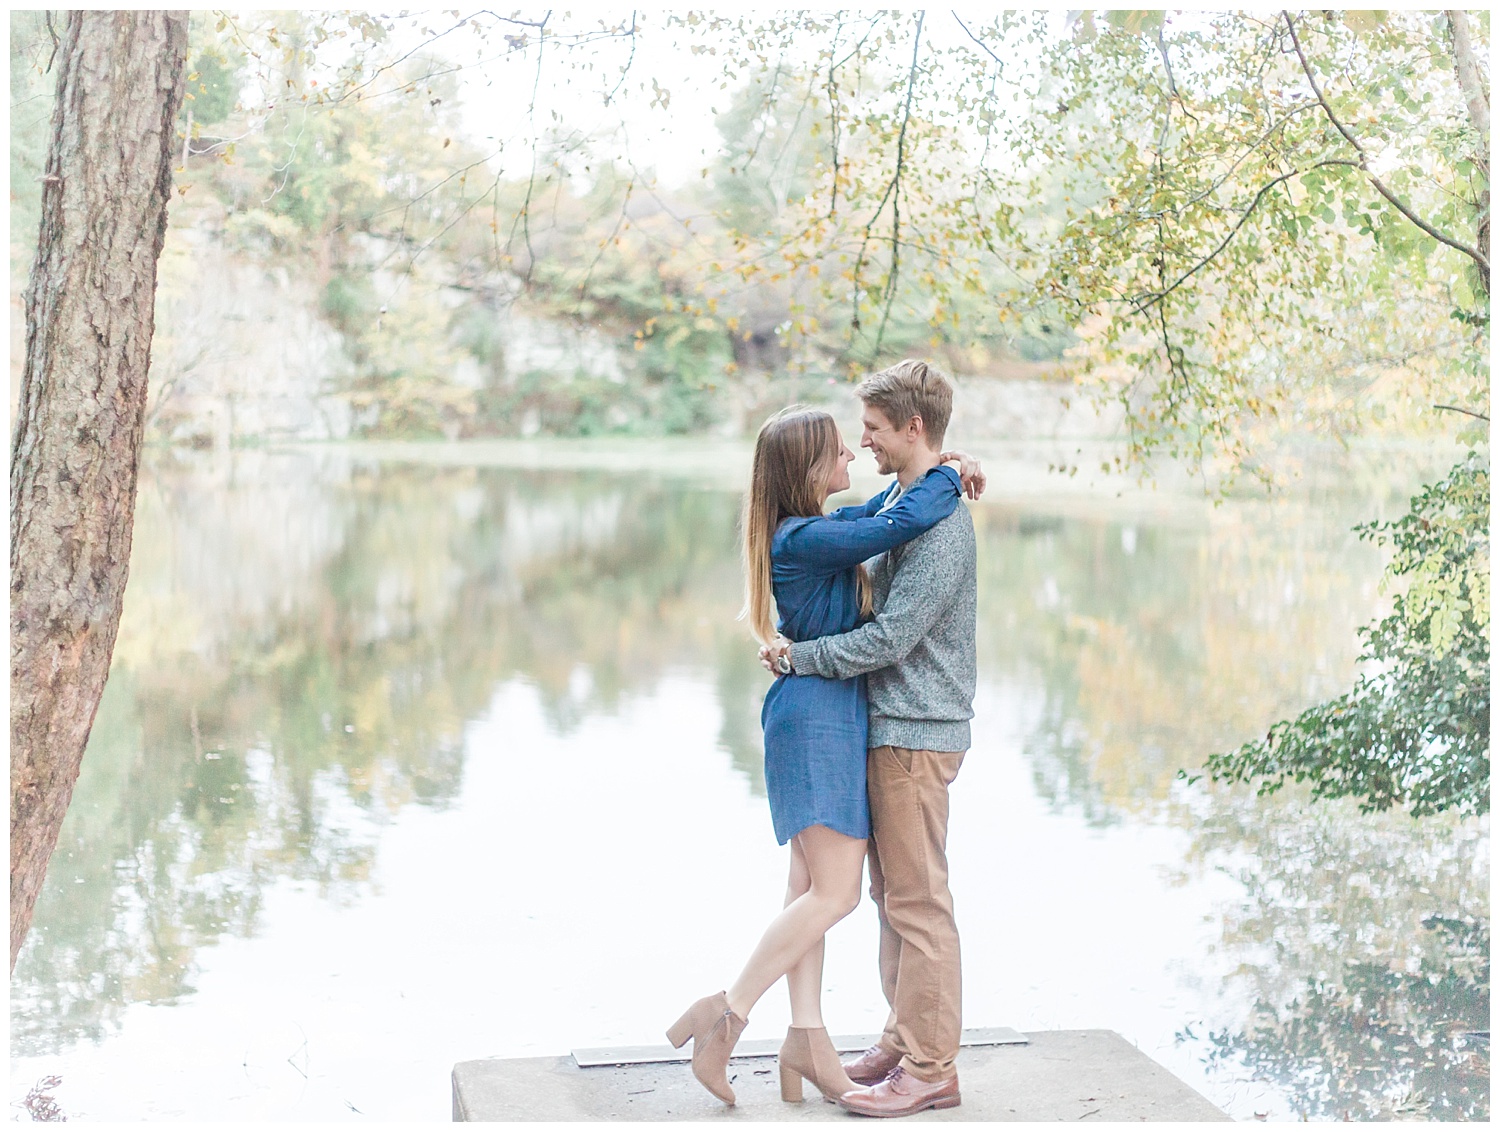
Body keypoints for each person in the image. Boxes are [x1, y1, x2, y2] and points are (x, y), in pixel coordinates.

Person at [666, 405, 982, 1108]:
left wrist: (950, 465)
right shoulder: (804, 538)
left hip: (825, 709)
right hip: (819, 715)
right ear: (809, 468)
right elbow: (895, 522)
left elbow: (886, 508)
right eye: (838, 448)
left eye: (858, 439)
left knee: (808, 888)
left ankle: (806, 1034)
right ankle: (728, 1012)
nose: (851, 451)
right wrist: (949, 477)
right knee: (835, 895)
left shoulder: (818, 531)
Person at [761, 359, 979, 1118]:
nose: (864, 443)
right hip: (884, 728)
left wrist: (800, 656)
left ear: (912, 428)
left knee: (919, 905)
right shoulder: (907, 498)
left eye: (876, 430)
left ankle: (931, 1068)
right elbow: (889, 515)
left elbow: (889, 637)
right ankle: (902, 1038)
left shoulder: (940, 520)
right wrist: (953, 466)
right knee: (894, 901)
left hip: (916, 731)